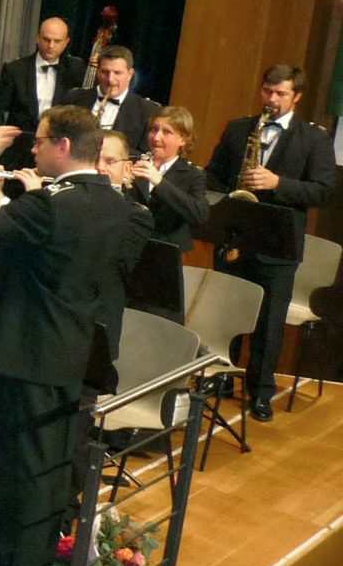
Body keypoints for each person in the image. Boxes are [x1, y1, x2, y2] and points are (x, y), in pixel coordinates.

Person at [0, 108, 153, 566]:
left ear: (61, 146)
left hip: (25, 350)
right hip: (74, 350)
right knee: (49, 465)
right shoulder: (114, 203)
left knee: (14, 464)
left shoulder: (50, 204)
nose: (32, 150)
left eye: (39, 142)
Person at [203, 66, 338, 419]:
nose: (271, 100)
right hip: (235, 234)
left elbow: (323, 191)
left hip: (277, 243)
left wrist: (277, 182)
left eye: (280, 94)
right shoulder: (238, 129)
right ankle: (221, 377)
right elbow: (213, 175)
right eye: (267, 92)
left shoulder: (314, 139)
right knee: (226, 311)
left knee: (269, 320)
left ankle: (260, 390)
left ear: (297, 96)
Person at [125, 105, 209, 254]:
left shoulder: (193, 174)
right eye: (154, 129)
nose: (156, 137)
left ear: (183, 139)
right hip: (129, 244)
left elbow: (199, 215)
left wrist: (159, 182)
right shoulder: (130, 162)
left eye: (166, 132)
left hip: (166, 251)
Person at [0, 18, 85, 139]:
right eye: (46, 39)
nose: (51, 45)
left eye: (57, 41)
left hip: (57, 144)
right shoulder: (15, 69)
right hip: (20, 142)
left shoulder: (75, 69)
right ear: (37, 38)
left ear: (66, 42)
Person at [57, 46, 159, 156]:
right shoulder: (73, 98)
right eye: (105, 72)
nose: (110, 79)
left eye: (117, 73)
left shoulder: (148, 110)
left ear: (130, 74)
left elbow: (145, 155)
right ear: (97, 72)